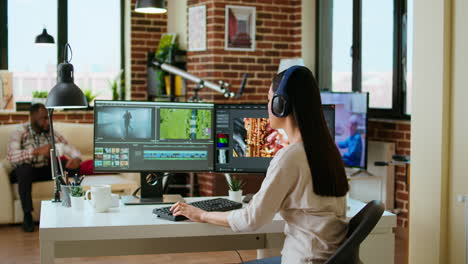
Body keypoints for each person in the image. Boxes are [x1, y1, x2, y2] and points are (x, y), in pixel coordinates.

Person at [170, 66, 349, 264]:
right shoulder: (327, 150)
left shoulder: (290, 156)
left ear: (281, 105)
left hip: (304, 259)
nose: (267, 106)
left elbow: (251, 220)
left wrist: (202, 214)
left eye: (268, 99)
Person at [7, 103, 82, 232]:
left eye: (49, 118)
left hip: (44, 168)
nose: (48, 122)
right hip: (24, 171)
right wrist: (35, 151)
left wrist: (76, 159)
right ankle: (27, 216)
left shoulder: (51, 132)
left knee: (70, 167)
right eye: (44, 118)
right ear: (32, 117)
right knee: (24, 170)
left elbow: (73, 150)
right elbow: (11, 157)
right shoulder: (20, 132)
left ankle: (71, 207)